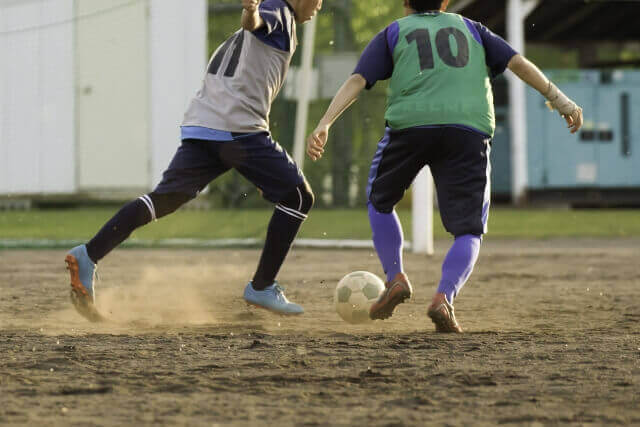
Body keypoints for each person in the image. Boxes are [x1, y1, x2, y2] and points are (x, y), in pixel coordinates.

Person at [307, 0, 583, 332]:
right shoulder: (473, 29)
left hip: (410, 127)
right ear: (446, 2)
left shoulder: (393, 32)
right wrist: (559, 98)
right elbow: (518, 62)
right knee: (469, 230)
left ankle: (395, 277)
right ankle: (444, 297)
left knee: (379, 201)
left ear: (406, 2)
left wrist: (325, 122)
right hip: (467, 130)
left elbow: (357, 80)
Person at [65, 0, 324, 322]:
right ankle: (262, 285)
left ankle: (88, 255)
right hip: (238, 129)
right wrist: (251, 11)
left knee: (164, 199)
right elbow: (256, 22)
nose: (320, 5)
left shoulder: (253, 32)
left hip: (203, 126)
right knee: (299, 196)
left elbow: (252, 33)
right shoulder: (280, 12)